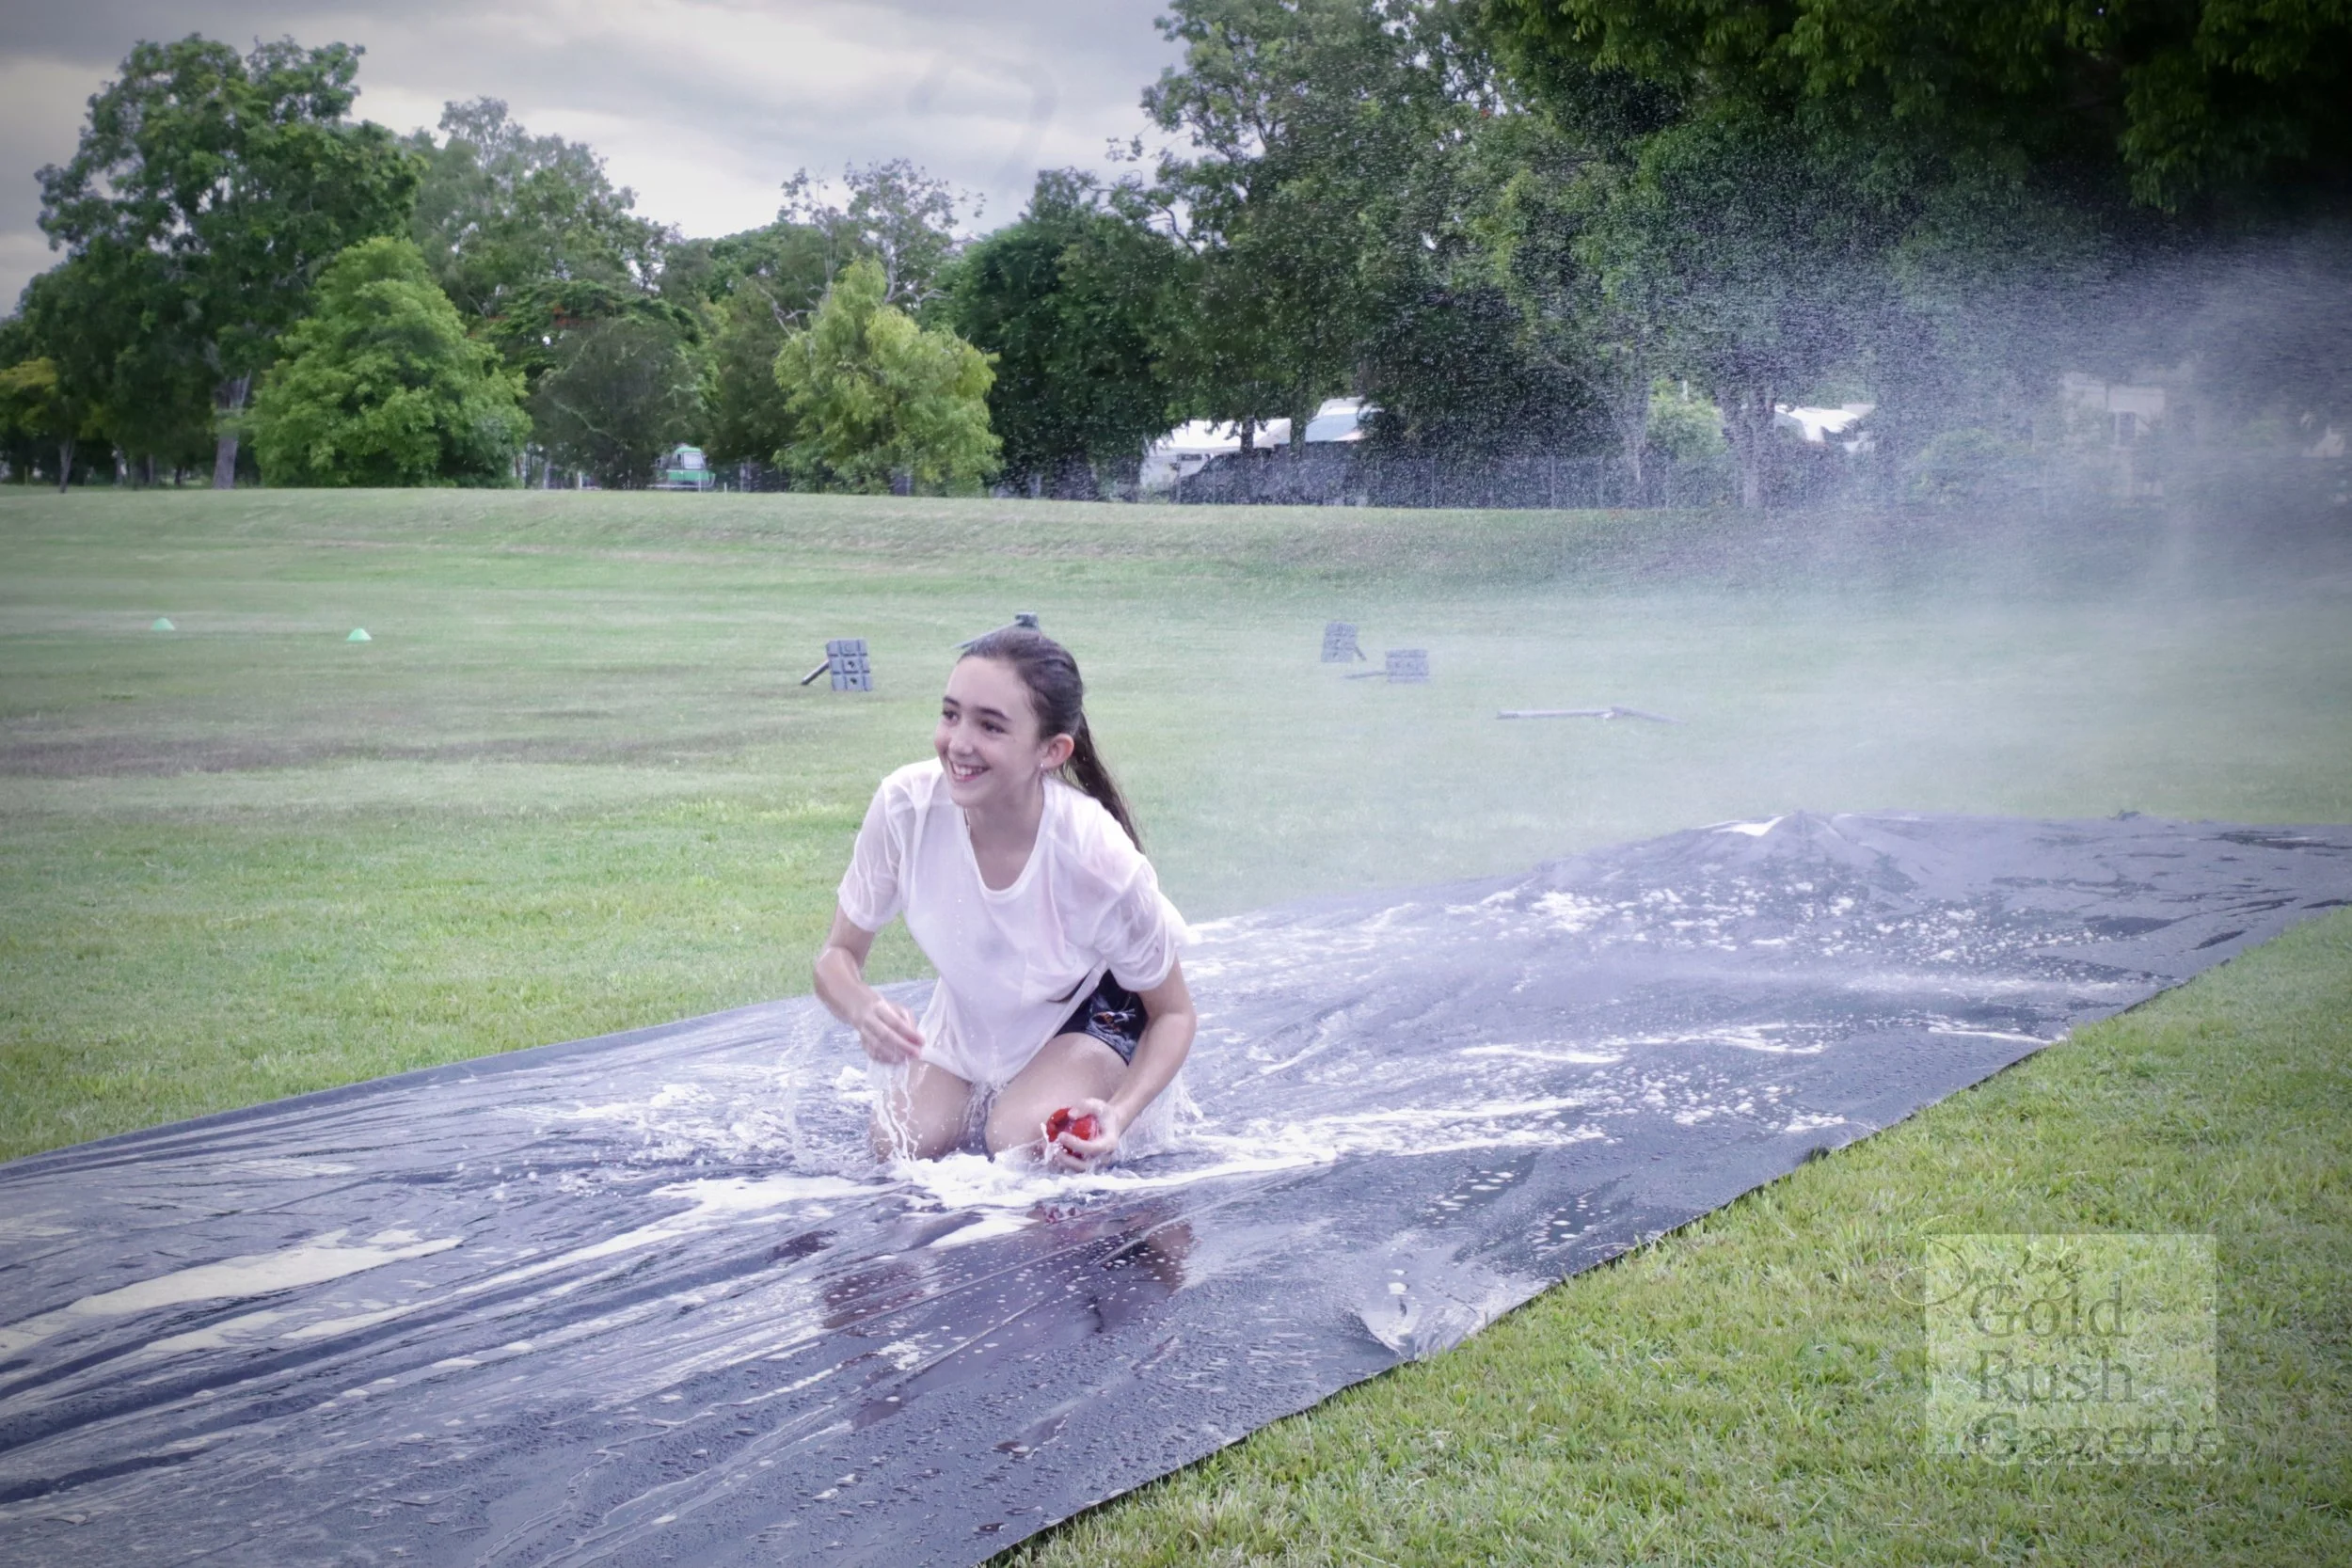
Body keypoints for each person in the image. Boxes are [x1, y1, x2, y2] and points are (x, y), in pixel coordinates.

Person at [814, 626, 1197, 1166]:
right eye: (951, 715)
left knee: (1021, 1139)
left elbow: (1175, 1014)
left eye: (990, 726)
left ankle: (1056, 1079)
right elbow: (836, 957)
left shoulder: (1095, 855)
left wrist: (1123, 1111)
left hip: (1091, 1006)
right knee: (900, 1144)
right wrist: (862, 1008)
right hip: (980, 1008)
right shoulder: (906, 806)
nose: (959, 743)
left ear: (1052, 750)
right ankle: (1010, 1081)